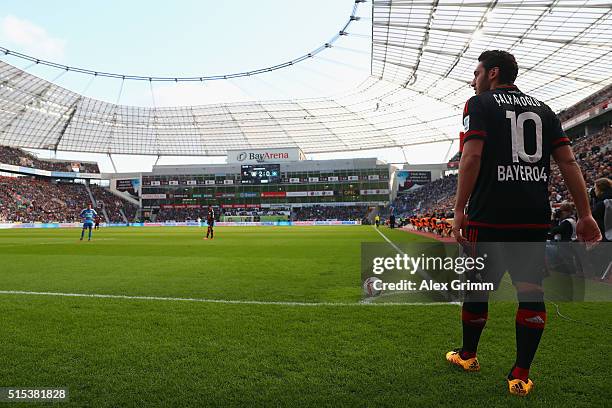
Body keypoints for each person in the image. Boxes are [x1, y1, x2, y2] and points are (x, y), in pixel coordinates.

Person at [446, 50, 601, 396]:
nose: (473, 81)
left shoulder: (479, 104)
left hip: (488, 216)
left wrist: (459, 208)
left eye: (476, 73)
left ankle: (469, 355)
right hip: (532, 218)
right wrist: (586, 214)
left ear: (493, 73)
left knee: (476, 288)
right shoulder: (544, 110)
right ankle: (520, 375)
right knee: (531, 291)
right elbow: (569, 162)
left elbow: (471, 156)